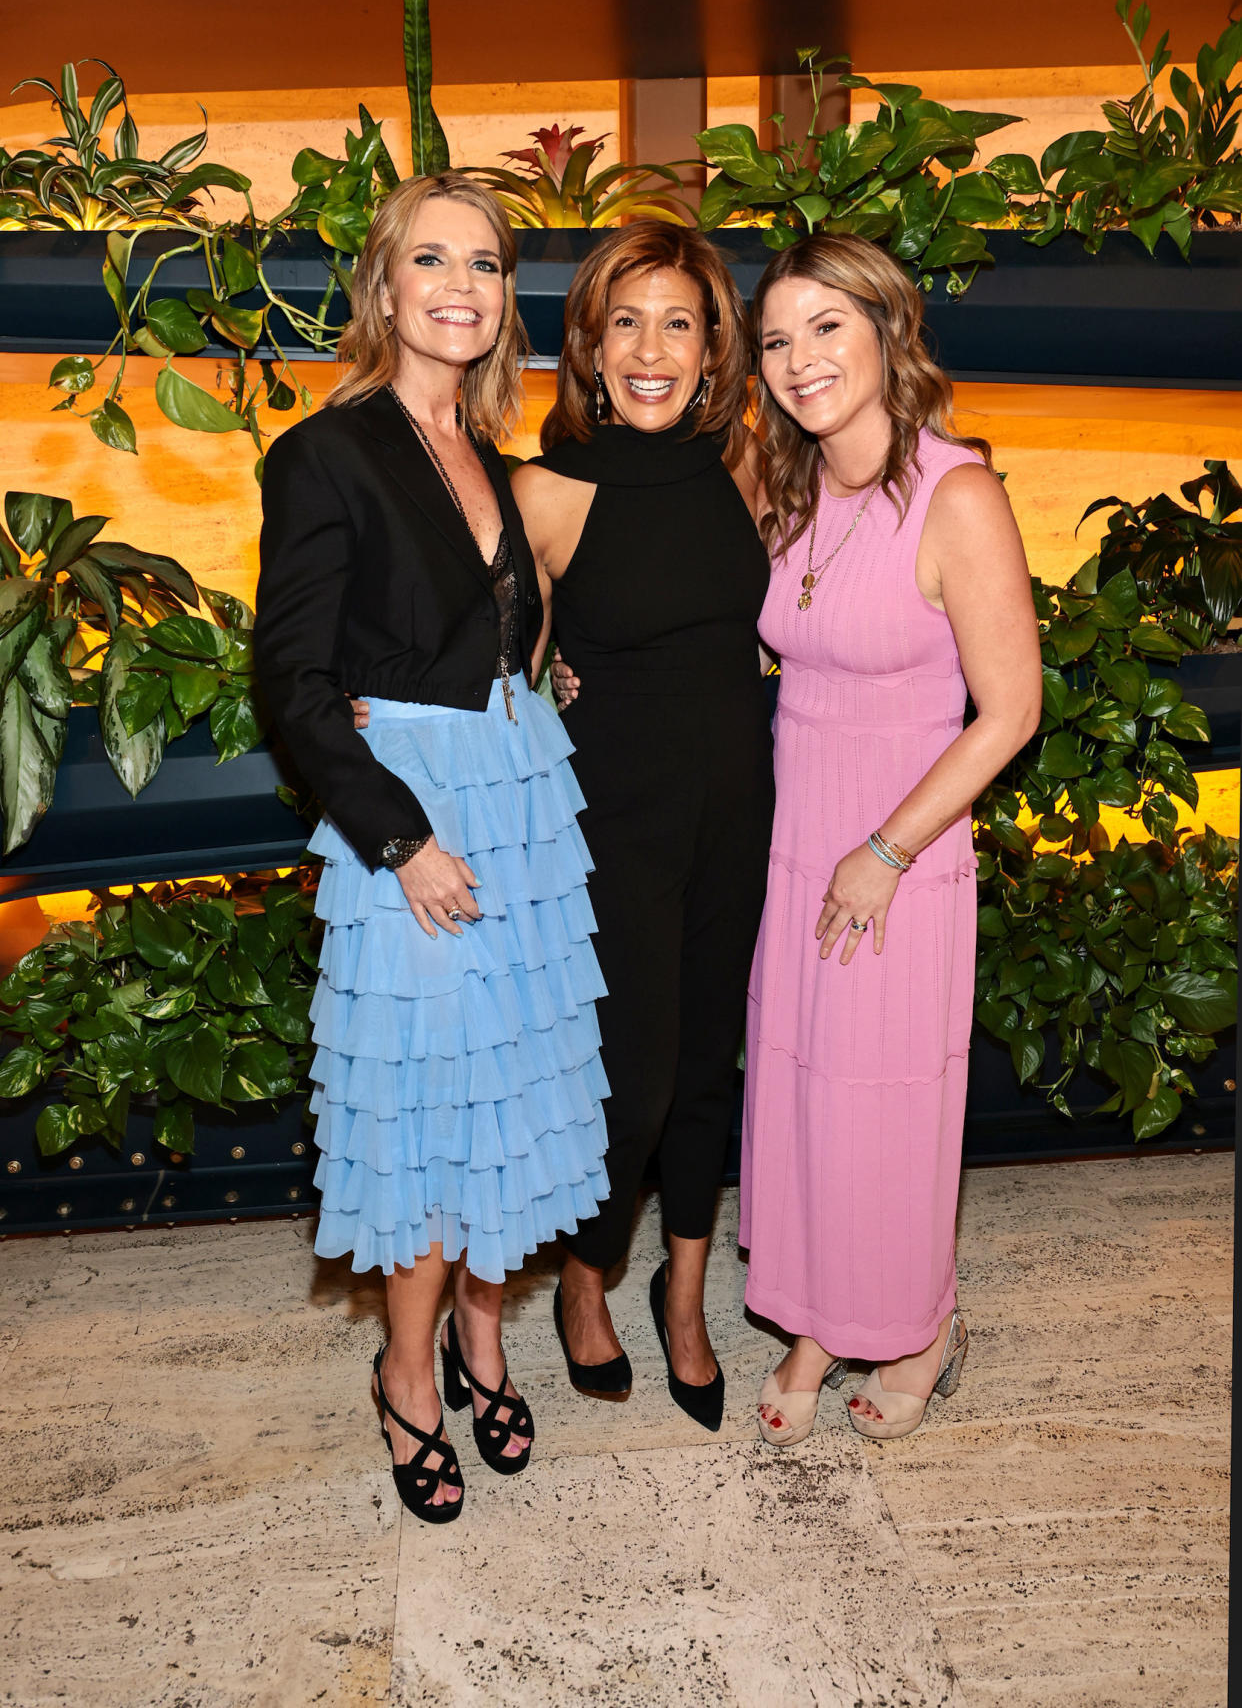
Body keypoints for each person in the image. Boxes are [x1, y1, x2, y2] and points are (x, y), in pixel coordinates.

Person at [254, 173, 610, 1523]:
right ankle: (407, 1375)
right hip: (412, 819)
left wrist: (537, 678)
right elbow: (290, 679)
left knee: (507, 1092)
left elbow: (475, 624)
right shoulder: (325, 451)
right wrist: (400, 838)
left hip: (516, 796)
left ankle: (480, 1335)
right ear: (384, 286)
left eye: (481, 261)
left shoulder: (477, 443)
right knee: (419, 1110)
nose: (457, 284)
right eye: (429, 259)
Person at [742, 232, 1042, 1444]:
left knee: (882, 1102)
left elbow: (1012, 709)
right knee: (807, 1089)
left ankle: (919, 1323)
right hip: (798, 833)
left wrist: (888, 848)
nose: (801, 359)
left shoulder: (956, 492)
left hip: (899, 847)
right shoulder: (782, 482)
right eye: (776, 338)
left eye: (827, 327)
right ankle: (823, 1312)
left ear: (886, 330)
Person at [518, 222, 774, 1430]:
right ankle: (585, 1282)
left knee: (709, 1062)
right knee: (635, 1079)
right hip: (614, 823)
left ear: (716, 344)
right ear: (590, 344)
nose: (652, 348)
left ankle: (683, 1299)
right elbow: (490, 670)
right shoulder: (551, 490)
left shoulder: (750, 467)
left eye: (680, 321)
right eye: (627, 322)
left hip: (740, 808)